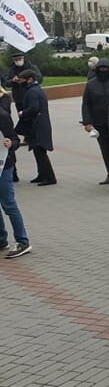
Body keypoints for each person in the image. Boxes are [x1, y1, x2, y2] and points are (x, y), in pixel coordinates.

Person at [11, 70, 55, 186]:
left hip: (38, 125)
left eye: (22, 80)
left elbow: (34, 108)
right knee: (37, 150)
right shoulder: (35, 89)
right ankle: (42, 175)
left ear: (30, 79)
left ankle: (50, 177)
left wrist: (22, 113)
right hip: (39, 124)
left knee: (40, 152)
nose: (21, 83)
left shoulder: (33, 91)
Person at [0, 89, 30, 259]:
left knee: (8, 204)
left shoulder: (2, 115)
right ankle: (1, 239)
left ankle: (22, 241)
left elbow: (16, 140)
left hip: (4, 166)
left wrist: (10, 143)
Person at [82, 58, 109, 184]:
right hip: (99, 123)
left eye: (106, 69)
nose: (103, 71)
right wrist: (87, 122)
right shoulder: (91, 84)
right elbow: (86, 104)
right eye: (101, 69)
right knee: (105, 149)